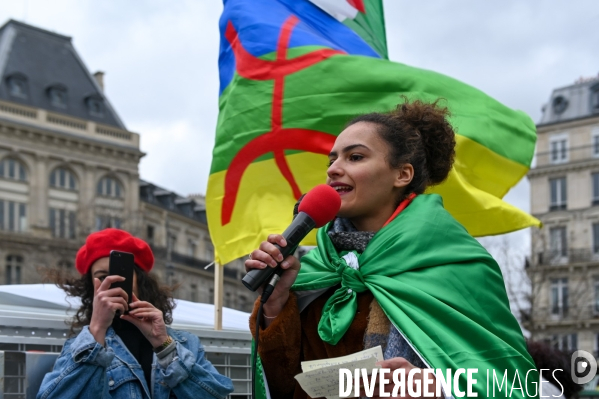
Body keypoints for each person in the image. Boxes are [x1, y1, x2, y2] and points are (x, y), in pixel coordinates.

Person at [245, 98, 538, 398]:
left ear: (402, 175)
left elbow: (515, 383)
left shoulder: (460, 264)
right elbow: (283, 386)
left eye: (355, 157)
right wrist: (275, 303)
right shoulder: (314, 270)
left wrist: (440, 389)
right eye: (331, 160)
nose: (334, 169)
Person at [37, 228, 234, 399]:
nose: (113, 283)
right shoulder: (79, 348)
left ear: (139, 280)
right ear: (92, 288)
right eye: (103, 277)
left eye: (122, 275)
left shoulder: (184, 343)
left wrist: (164, 346)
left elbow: (216, 394)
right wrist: (97, 330)